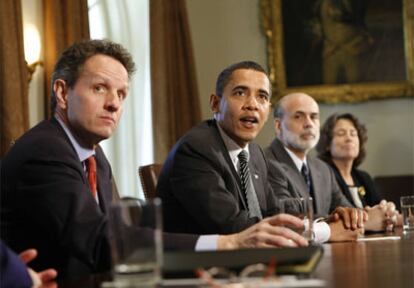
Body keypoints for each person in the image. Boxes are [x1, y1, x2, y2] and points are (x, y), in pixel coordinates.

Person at [0, 41, 307, 280]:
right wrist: (227, 244)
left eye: (122, 94)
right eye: (100, 88)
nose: (113, 103)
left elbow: (115, 231)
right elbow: (100, 242)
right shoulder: (45, 151)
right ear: (62, 93)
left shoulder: (94, 155)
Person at [156, 61, 348, 243]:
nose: (252, 104)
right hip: (200, 270)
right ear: (215, 104)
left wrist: (330, 221)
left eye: (262, 97)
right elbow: (235, 226)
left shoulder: (254, 153)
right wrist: (327, 232)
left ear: (268, 110)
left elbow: (275, 213)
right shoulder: (197, 148)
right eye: (240, 93)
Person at [265, 93, 396, 240]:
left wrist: (378, 214)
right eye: (298, 116)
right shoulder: (266, 162)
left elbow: (349, 210)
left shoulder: (322, 168)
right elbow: (290, 219)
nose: (309, 123)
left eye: (313, 117)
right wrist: (367, 221)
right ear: (278, 126)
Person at [316, 113, 401, 226]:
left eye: (353, 133)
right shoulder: (324, 176)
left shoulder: (363, 177)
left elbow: (380, 207)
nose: (349, 138)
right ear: (327, 144)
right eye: (341, 134)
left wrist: (388, 211)